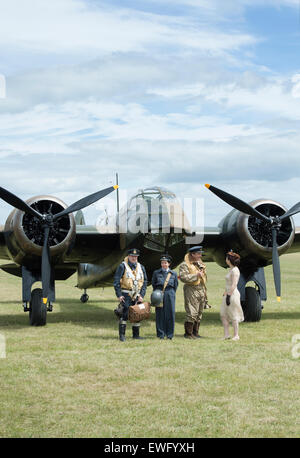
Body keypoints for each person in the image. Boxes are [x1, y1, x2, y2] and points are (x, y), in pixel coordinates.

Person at [113, 248, 147, 341]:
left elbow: (145, 282)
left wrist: (142, 295)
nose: (134, 258)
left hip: (137, 295)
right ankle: (122, 336)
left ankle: (136, 335)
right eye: (132, 256)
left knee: (137, 315)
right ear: (128, 256)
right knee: (124, 314)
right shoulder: (122, 266)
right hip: (126, 294)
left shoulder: (141, 267)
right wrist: (119, 295)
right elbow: (116, 282)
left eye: (136, 256)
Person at [179, 246, 207, 339]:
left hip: (201, 289)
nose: (200, 255)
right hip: (191, 289)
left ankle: (195, 332)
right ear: (192, 254)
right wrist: (196, 275)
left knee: (199, 312)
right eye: (198, 254)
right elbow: (183, 277)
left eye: (200, 253)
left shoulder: (199, 263)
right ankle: (188, 333)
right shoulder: (184, 265)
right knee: (192, 312)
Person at [151, 254, 178, 340]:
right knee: (160, 314)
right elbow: (154, 284)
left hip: (170, 294)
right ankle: (160, 334)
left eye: (165, 263)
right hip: (159, 293)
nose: (164, 264)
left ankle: (170, 334)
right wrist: (158, 293)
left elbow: (175, 285)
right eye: (162, 263)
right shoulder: (156, 272)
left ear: (169, 264)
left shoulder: (173, 273)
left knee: (170, 314)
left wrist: (170, 293)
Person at [220, 251, 244, 341]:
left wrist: (229, 296)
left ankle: (236, 335)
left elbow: (234, 284)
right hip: (227, 293)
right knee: (223, 314)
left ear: (229, 260)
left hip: (233, 294)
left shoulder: (235, 270)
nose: (226, 259)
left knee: (234, 314)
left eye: (227, 258)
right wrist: (225, 293)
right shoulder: (230, 269)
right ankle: (226, 335)